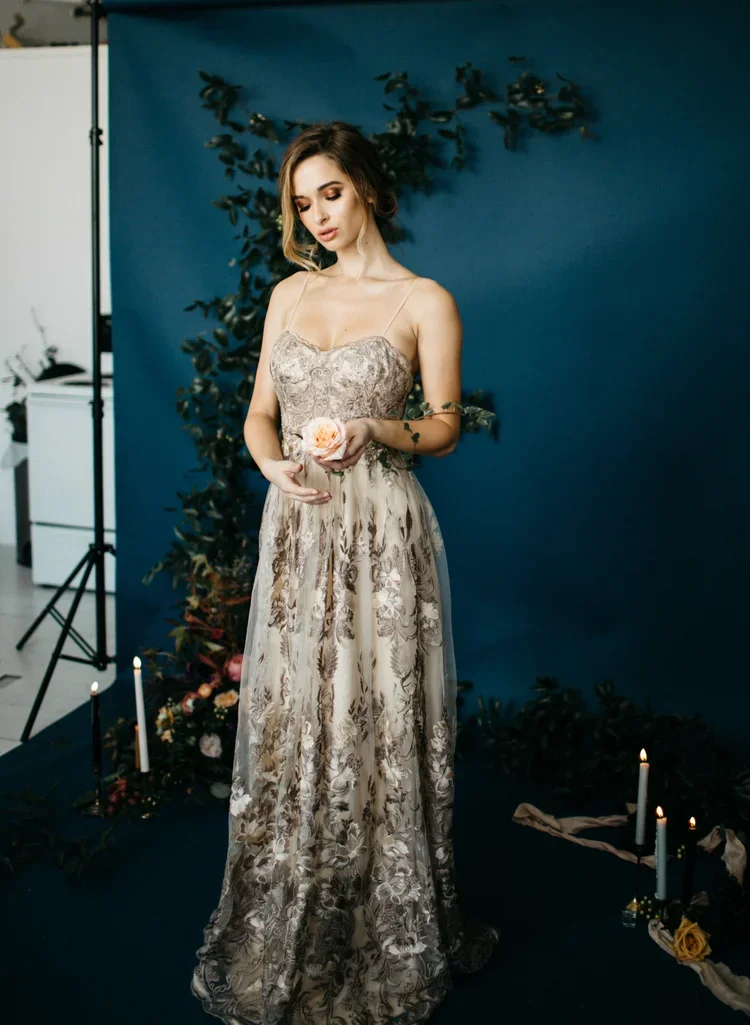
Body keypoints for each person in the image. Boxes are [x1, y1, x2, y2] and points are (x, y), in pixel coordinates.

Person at [191, 120, 499, 1025]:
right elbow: (258, 414)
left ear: (364, 185)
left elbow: (442, 426)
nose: (317, 214)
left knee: (373, 709)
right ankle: (296, 902)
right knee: (297, 710)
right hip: (299, 524)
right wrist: (272, 465)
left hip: (380, 528)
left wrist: (375, 430)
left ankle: (383, 913)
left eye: (330, 191)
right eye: (301, 201)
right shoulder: (288, 296)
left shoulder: (423, 301)